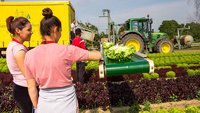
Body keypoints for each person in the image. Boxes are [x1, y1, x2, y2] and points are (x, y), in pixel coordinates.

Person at [24, 8, 102, 113]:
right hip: (67, 102)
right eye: (60, 30)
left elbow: (31, 87)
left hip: (45, 103)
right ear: (55, 30)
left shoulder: (29, 55)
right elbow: (94, 55)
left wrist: (38, 107)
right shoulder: (67, 50)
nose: (60, 34)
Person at [6, 16, 33, 113]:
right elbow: (28, 75)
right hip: (24, 90)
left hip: (20, 87)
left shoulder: (13, 45)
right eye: (28, 30)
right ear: (18, 30)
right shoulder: (19, 49)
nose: (31, 32)